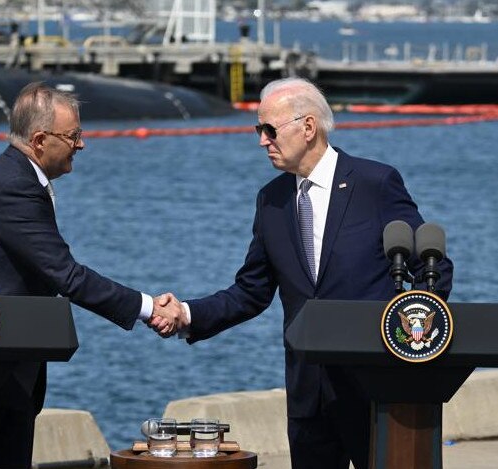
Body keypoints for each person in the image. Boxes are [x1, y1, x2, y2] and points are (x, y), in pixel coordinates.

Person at [151, 77, 453, 469]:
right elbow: (251, 292)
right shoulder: (272, 200)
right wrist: (187, 314)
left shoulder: (375, 184)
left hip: (377, 390)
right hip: (309, 395)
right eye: (259, 130)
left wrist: (410, 345)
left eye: (269, 130)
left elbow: (432, 270)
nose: (262, 140)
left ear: (308, 127)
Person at [0, 82, 181, 468]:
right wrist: (147, 308)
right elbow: (67, 276)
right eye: (74, 136)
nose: (82, 145)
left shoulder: (17, 177)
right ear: (41, 139)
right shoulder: (13, 186)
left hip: (8, 367)